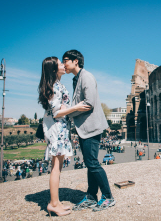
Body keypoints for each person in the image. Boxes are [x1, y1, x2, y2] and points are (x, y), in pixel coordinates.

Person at [63, 50, 115, 212]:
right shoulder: (77, 79)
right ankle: (92, 196)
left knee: (92, 162)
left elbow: (89, 103)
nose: (64, 64)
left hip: (91, 126)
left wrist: (69, 112)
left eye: (66, 60)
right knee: (89, 162)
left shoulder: (86, 77)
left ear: (75, 61)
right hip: (85, 127)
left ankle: (108, 197)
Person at [38, 56, 91, 217]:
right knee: (56, 168)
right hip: (57, 129)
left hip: (59, 128)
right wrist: (76, 107)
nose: (63, 65)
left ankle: (56, 201)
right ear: (54, 69)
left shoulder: (57, 85)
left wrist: (67, 107)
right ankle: (53, 204)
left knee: (58, 167)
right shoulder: (55, 86)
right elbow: (56, 112)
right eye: (60, 63)